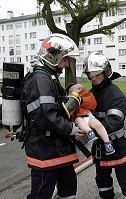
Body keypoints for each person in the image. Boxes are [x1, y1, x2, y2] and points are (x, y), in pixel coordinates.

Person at [20, 33, 85, 199]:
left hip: (58, 148)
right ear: (53, 57)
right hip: (45, 150)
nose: (66, 65)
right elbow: (47, 115)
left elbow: (59, 105)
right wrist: (72, 129)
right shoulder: (40, 79)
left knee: (69, 188)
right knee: (42, 194)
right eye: (65, 59)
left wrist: (72, 95)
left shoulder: (49, 77)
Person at [82, 51, 126, 199]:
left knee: (124, 180)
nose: (92, 78)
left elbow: (112, 122)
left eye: (96, 74)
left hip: (118, 146)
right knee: (102, 182)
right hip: (100, 148)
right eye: (90, 75)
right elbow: (83, 115)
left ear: (106, 72)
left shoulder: (116, 95)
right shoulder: (91, 94)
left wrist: (89, 130)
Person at [66, 83, 115, 155]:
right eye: (78, 88)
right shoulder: (68, 100)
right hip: (78, 117)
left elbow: (92, 104)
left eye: (81, 87)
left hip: (88, 115)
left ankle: (107, 143)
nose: (81, 89)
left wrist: (80, 100)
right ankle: (90, 132)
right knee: (79, 121)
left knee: (98, 124)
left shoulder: (87, 95)